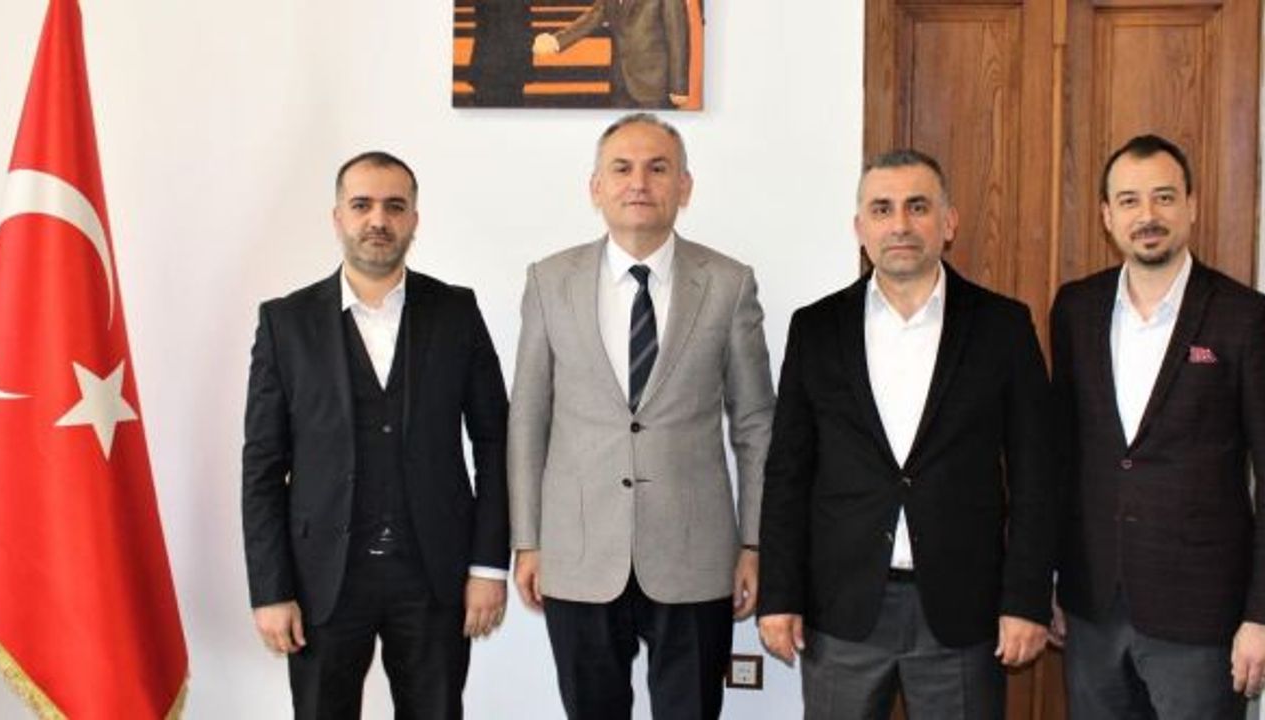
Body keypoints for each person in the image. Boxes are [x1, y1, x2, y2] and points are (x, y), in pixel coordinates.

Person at [757, 149, 1056, 719]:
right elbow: (788, 473)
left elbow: (1036, 475)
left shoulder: (1002, 326)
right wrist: (779, 595)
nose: (899, 224)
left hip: (963, 612)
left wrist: (1027, 600)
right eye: (882, 209)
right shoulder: (816, 329)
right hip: (842, 609)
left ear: (949, 222)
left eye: (917, 207)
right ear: (860, 228)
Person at [507, 113, 774, 719]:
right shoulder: (549, 282)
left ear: (684, 186)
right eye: (621, 168)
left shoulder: (729, 284)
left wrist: (754, 541)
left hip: (696, 555)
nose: (639, 183)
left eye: (658, 168)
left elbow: (756, 424)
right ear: (596, 187)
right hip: (578, 551)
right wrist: (528, 539)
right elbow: (528, 417)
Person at [241, 151, 510, 719]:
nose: (378, 220)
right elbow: (262, 466)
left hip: (435, 576)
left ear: (414, 219)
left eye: (394, 206)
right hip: (321, 581)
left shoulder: (456, 311)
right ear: (337, 216)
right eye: (362, 205)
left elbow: (495, 443)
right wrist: (271, 589)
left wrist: (488, 566)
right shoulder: (285, 323)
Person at [1051, 134, 1265, 719]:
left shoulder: (1244, 317)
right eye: (1129, 200)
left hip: (1201, 619)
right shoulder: (1075, 309)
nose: (1147, 215)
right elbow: (1059, 458)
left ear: (1191, 205)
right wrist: (1048, 578)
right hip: (1091, 608)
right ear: (1106, 216)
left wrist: (1260, 615)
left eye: (1164, 197)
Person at [531, 0, 689, 108]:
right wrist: (556, 41)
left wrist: (679, 87)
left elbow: (678, 37)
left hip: (654, 85)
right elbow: (592, 17)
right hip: (620, 81)